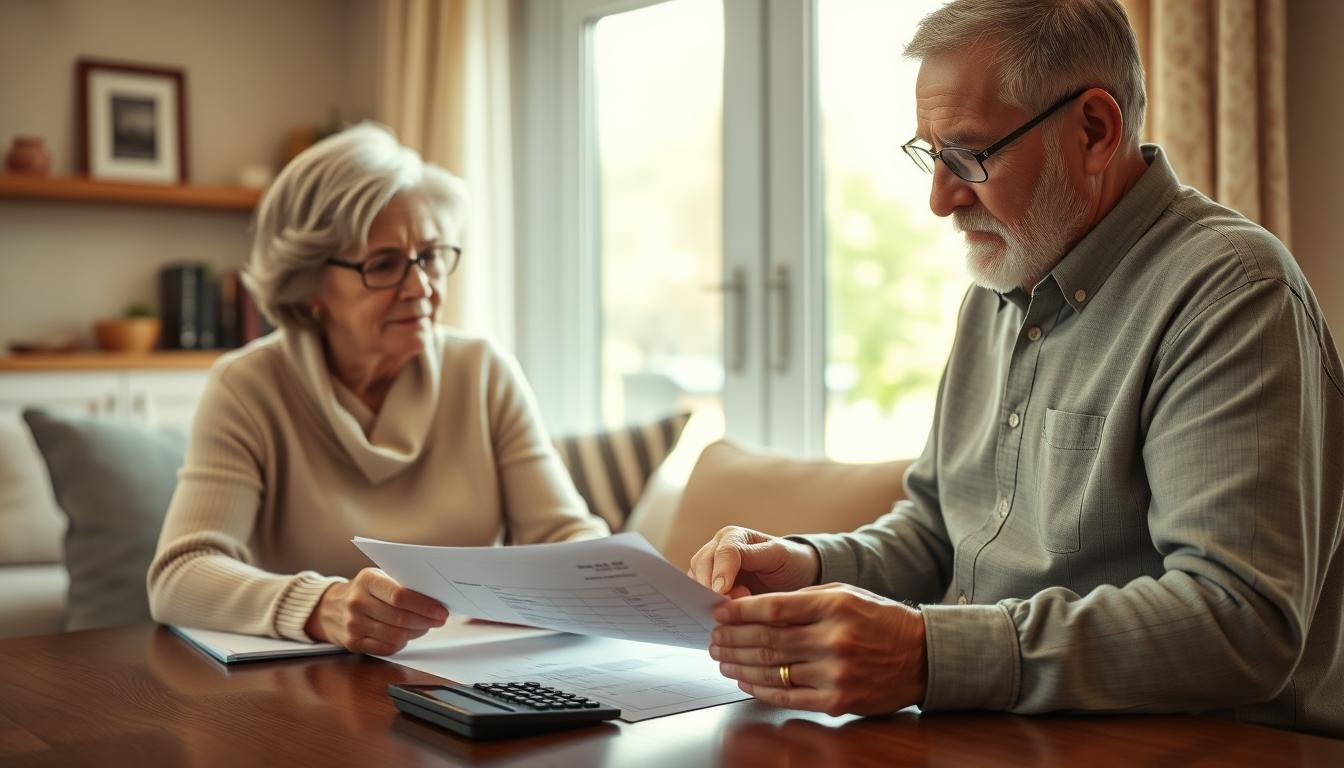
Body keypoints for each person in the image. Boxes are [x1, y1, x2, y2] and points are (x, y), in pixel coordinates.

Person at [689, 0, 1344, 736]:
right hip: (1019, 735)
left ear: (1094, 130)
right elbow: (941, 531)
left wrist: (927, 654)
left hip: (1211, 748)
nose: (940, 199)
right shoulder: (996, 293)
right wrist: (809, 564)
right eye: (930, 156)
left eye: (969, 156)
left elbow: (1240, 620)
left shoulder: (1230, 290)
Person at [148, 124, 609, 656]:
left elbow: (567, 537)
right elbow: (180, 575)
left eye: (431, 255)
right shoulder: (249, 386)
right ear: (311, 284)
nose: (422, 287)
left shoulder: (483, 372)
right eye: (384, 265)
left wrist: (607, 572)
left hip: (468, 683)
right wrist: (324, 607)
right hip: (301, 692)